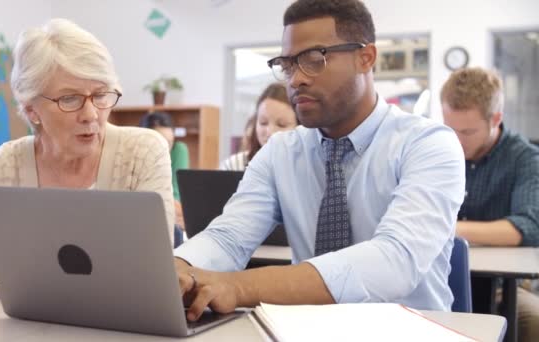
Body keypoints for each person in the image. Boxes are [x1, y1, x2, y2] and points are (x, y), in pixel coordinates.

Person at [174, 0, 465, 322]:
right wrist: (181, 268)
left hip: (410, 329)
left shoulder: (428, 143)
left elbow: (396, 260)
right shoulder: (281, 151)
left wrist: (239, 287)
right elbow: (229, 237)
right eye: (287, 65)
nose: (295, 80)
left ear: (365, 58)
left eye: (314, 60)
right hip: (308, 328)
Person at [0, 18, 174, 286]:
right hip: (22, 328)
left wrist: (31, 262)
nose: (91, 114)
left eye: (101, 94)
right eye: (70, 99)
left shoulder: (142, 153)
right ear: (32, 109)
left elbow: (154, 267)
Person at [441, 67, 539, 341]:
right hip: (439, 277)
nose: (456, 141)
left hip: (504, 286)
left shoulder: (524, 159)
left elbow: (528, 227)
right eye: (450, 129)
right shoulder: (436, 150)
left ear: (496, 119)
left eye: (468, 131)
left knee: (534, 322)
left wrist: (450, 228)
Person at [221, 83, 298, 170]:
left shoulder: (307, 167)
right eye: (263, 123)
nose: (270, 132)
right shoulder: (233, 166)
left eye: (281, 125)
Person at [139, 112, 189, 244]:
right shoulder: (136, 156)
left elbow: (176, 193)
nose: (165, 149)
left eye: (169, 143)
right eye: (159, 143)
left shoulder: (178, 150)